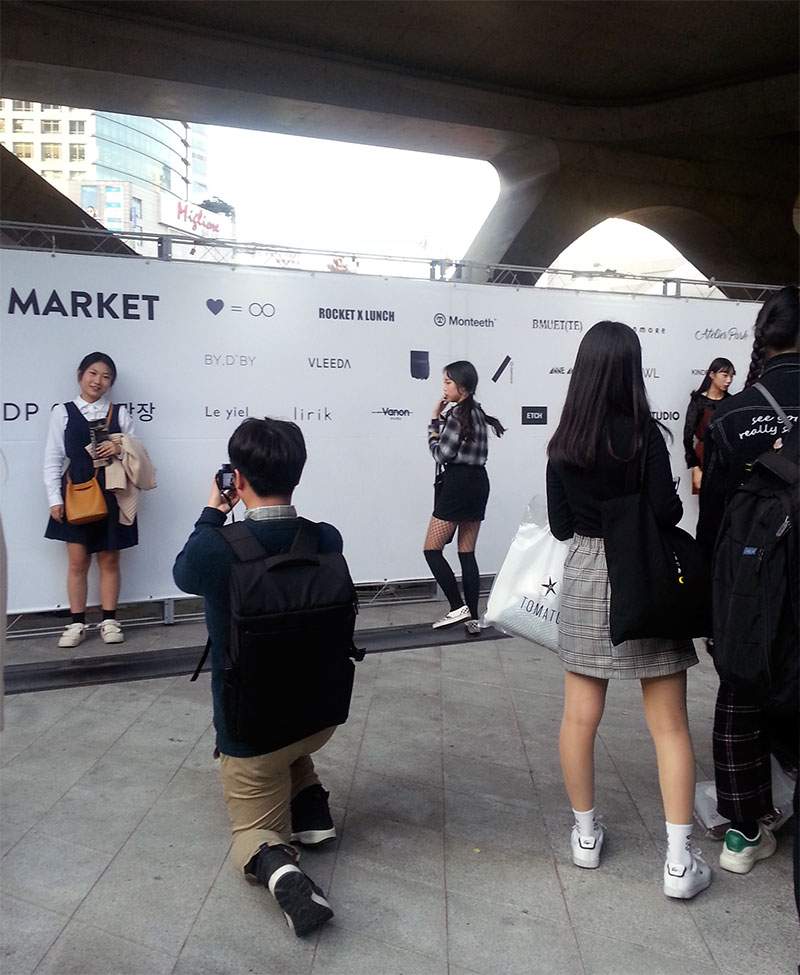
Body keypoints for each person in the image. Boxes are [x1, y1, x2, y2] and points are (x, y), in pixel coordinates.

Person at [546, 320, 710, 899]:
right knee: (669, 726)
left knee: (578, 718)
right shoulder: (645, 435)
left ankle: (585, 837)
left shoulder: (564, 441)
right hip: (643, 573)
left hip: (587, 574)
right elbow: (667, 512)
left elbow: (561, 525)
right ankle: (678, 863)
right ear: (631, 370)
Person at [173, 417, 340, 939]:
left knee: (253, 831)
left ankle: (280, 869)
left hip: (252, 731)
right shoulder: (325, 537)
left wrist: (213, 511)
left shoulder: (214, 549)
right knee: (287, 733)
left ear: (237, 478)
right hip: (319, 714)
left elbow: (184, 571)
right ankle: (311, 811)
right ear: (298, 475)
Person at [698, 285, 799, 880]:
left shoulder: (733, 413)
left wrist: (712, 612)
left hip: (750, 586)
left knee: (741, 695)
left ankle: (742, 834)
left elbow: (712, 521)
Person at [44, 352, 138, 647]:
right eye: (93, 373)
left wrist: (119, 449)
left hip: (112, 491)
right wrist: (54, 499)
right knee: (77, 561)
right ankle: (77, 623)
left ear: (112, 383)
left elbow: (136, 453)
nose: (98, 381)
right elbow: (53, 459)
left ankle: (109, 620)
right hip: (76, 491)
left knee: (109, 559)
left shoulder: (119, 414)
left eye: (106, 376)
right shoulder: (63, 412)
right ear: (80, 374)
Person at [425, 360, 505, 633]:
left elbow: (441, 454)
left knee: (431, 549)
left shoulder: (457, 415)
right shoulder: (478, 413)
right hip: (478, 483)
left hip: (458, 484)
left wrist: (433, 426)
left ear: (463, 386)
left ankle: (458, 607)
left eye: (448, 382)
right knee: (466, 552)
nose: (444, 388)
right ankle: (472, 618)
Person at [683, 357, 735, 494]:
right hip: (703, 457)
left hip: (726, 459)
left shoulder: (731, 402)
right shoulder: (698, 401)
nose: (729, 380)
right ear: (712, 374)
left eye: (731, 376)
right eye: (725, 375)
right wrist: (695, 468)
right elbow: (687, 437)